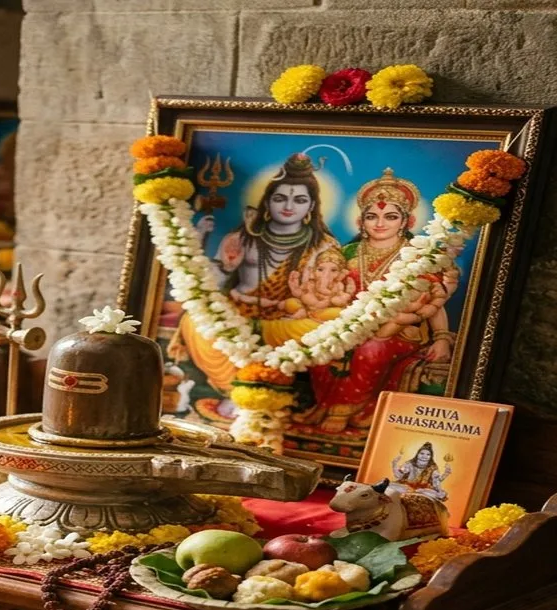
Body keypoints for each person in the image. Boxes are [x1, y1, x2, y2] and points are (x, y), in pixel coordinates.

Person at [171, 153, 340, 412]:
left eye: (300, 200)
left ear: (311, 207)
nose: (288, 206)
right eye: (280, 198)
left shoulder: (324, 245)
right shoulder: (242, 237)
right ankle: (234, 392)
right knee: (195, 320)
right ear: (267, 202)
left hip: (288, 320)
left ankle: (279, 393)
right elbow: (215, 282)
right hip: (239, 312)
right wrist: (206, 241)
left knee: (329, 329)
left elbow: (326, 292)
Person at [303, 168, 458, 433]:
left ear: (406, 222)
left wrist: (442, 338)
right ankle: (325, 405)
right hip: (349, 322)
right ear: (360, 222)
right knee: (323, 345)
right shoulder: (348, 252)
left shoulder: (417, 255)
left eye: (390, 216)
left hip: (400, 328)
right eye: (372, 216)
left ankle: (348, 410)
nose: (380, 223)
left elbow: (434, 300)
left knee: (370, 349)